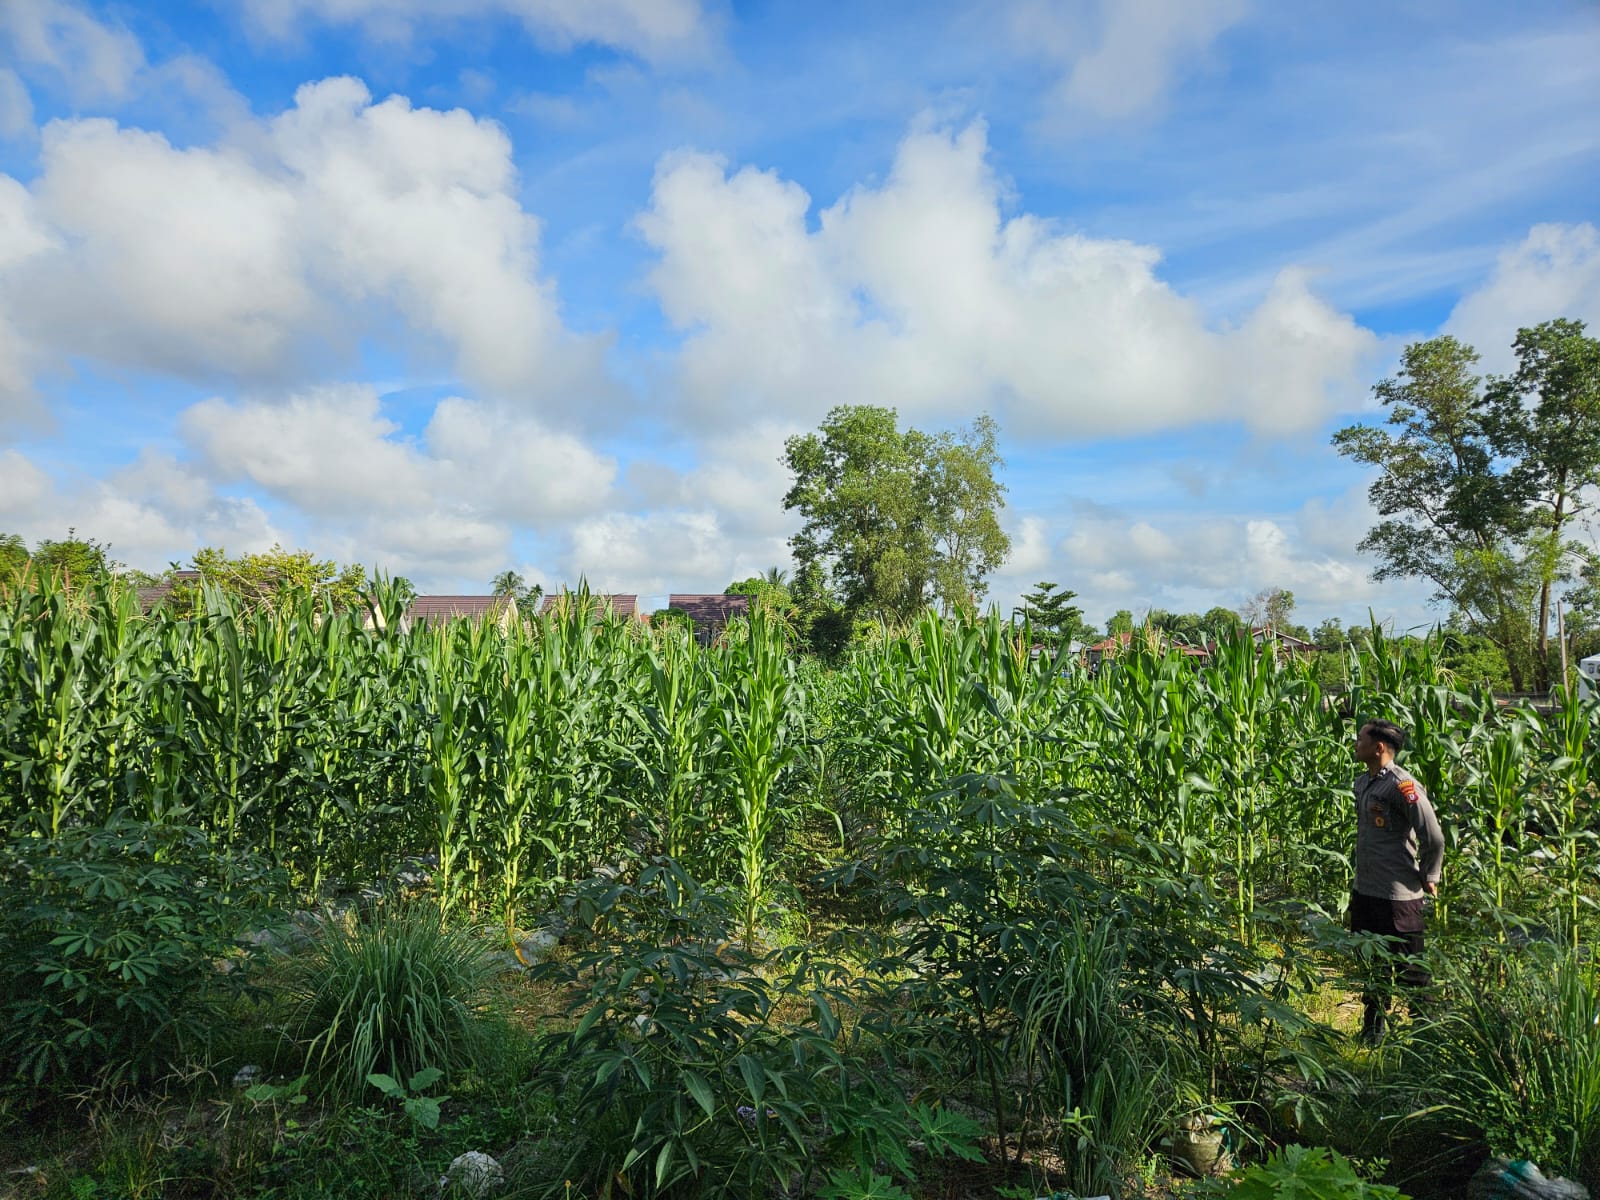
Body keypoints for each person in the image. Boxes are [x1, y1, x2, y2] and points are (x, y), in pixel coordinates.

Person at [1348, 718, 1444, 1044]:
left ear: (1378, 747)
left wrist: (1430, 874)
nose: (1356, 744)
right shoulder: (1364, 783)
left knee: (1411, 971)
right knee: (1371, 965)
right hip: (1366, 891)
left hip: (1398, 897)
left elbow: (1433, 836)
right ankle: (1372, 1031)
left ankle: (1425, 1039)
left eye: (1361, 739)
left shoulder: (1402, 786)